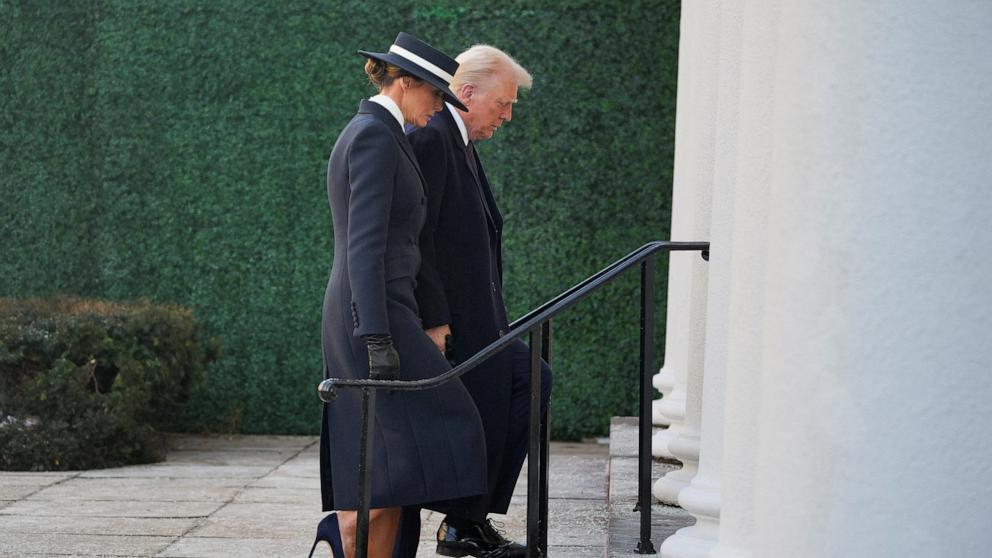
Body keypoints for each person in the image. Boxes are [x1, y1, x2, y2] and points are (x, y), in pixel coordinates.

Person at [314, 32, 487, 558]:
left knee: (386, 462)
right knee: (439, 427)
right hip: (372, 316)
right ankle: (345, 535)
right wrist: (375, 336)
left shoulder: (385, 134)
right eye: (435, 95)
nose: (437, 108)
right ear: (406, 84)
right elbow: (364, 246)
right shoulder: (372, 135)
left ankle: (357, 545)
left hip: (382, 312)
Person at [408, 45, 553, 558]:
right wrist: (435, 319)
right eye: (504, 104)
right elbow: (416, 237)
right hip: (450, 322)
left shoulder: (460, 139)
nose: (507, 116)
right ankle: (461, 522)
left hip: (482, 317)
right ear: (467, 93)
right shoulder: (430, 137)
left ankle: (465, 520)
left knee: (529, 379)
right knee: (519, 382)